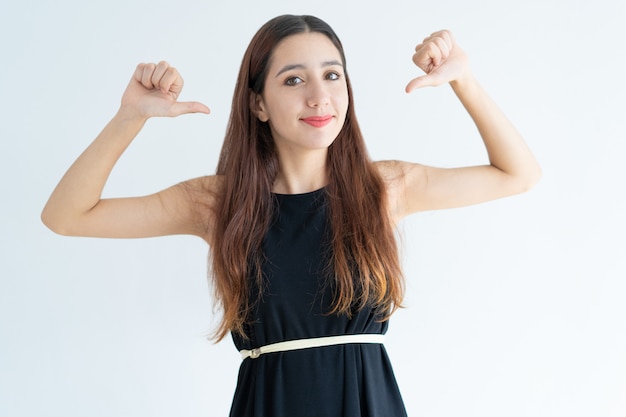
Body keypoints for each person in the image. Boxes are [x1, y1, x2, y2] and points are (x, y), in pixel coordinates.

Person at [41, 14, 541, 417]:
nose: (319, 95)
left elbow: (518, 173)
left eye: (332, 74)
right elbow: (66, 216)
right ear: (258, 102)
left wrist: (466, 81)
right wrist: (131, 117)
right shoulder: (216, 203)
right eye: (293, 79)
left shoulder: (384, 187)